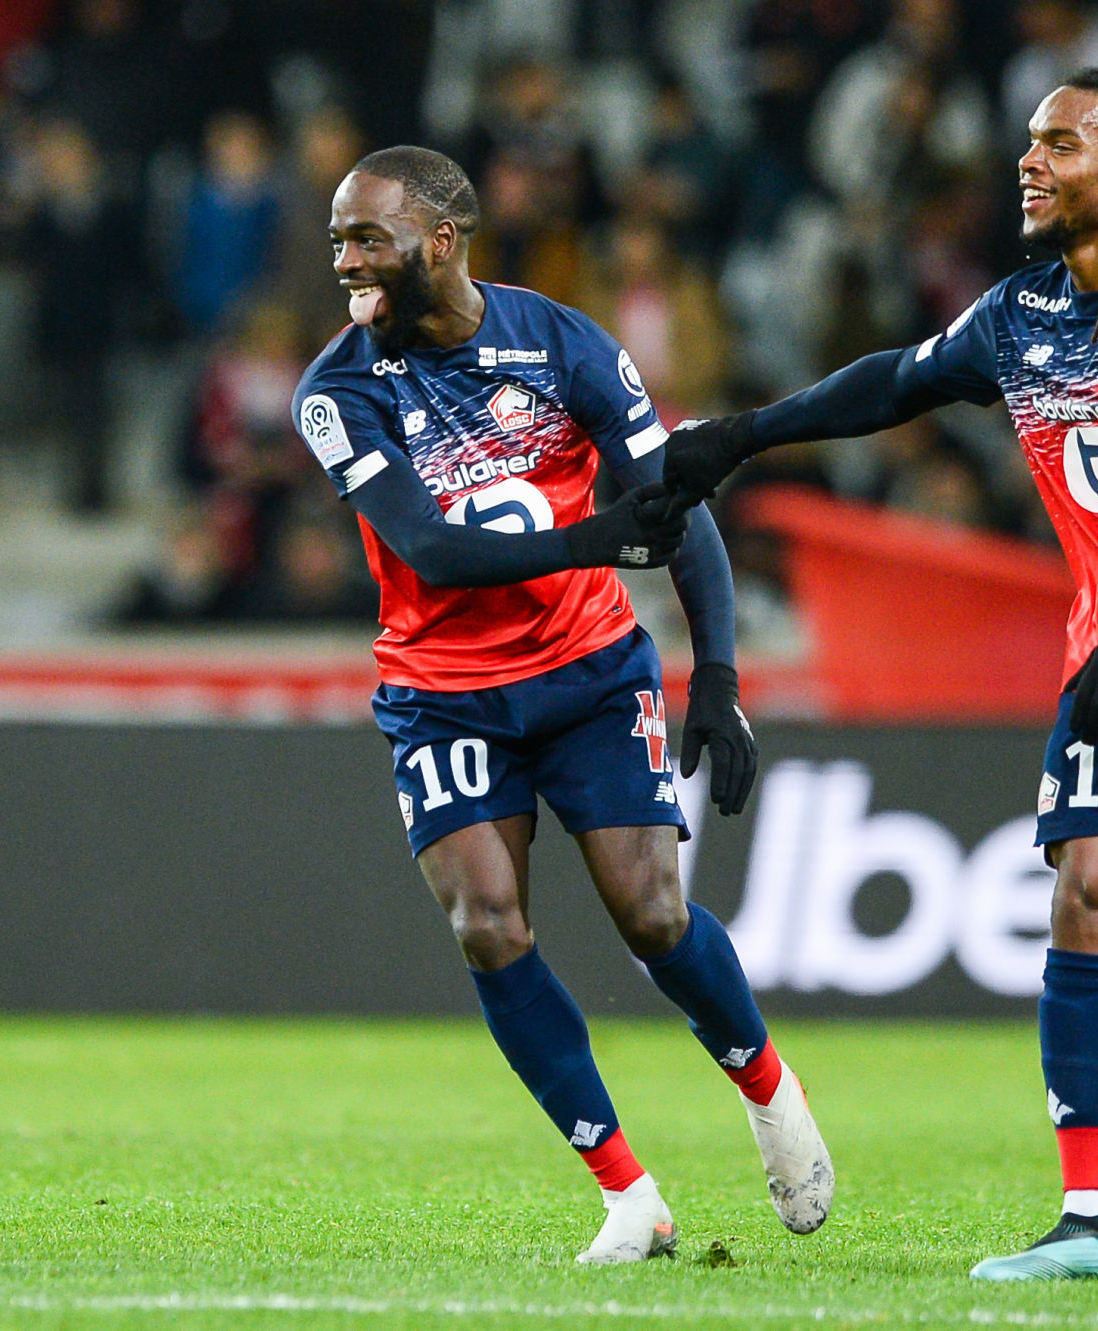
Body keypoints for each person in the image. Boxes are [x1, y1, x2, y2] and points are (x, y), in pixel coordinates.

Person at [663, 68, 1098, 1282]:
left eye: (1060, 142)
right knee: (1088, 890)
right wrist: (741, 436)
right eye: (1027, 141)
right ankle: (1089, 1217)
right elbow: (892, 380)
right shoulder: (1020, 314)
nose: (1029, 161)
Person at [289, 146, 834, 1264]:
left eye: (365, 238)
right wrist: (596, 539)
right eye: (337, 237)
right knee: (486, 926)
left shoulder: (564, 345)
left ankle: (767, 1087)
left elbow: (677, 507)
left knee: (654, 919)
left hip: (588, 674)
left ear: (440, 240)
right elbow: (433, 551)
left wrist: (719, 677)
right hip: (439, 694)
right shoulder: (335, 390)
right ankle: (627, 1192)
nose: (344, 260)